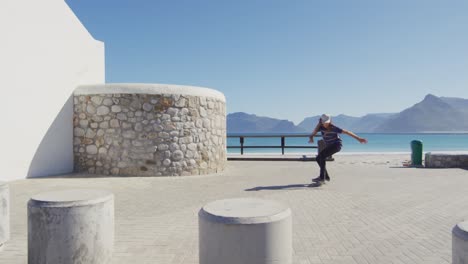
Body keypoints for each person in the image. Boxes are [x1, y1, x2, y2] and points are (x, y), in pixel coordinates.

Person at [308, 114, 367, 184]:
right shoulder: (320, 127)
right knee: (318, 158)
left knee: (322, 156)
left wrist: (358, 138)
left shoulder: (334, 128)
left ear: (330, 122)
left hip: (337, 145)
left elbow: (347, 132)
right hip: (330, 146)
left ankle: (322, 177)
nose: (325, 124)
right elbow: (314, 132)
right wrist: (312, 136)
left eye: (327, 123)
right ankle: (326, 176)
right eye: (324, 123)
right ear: (321, 122)